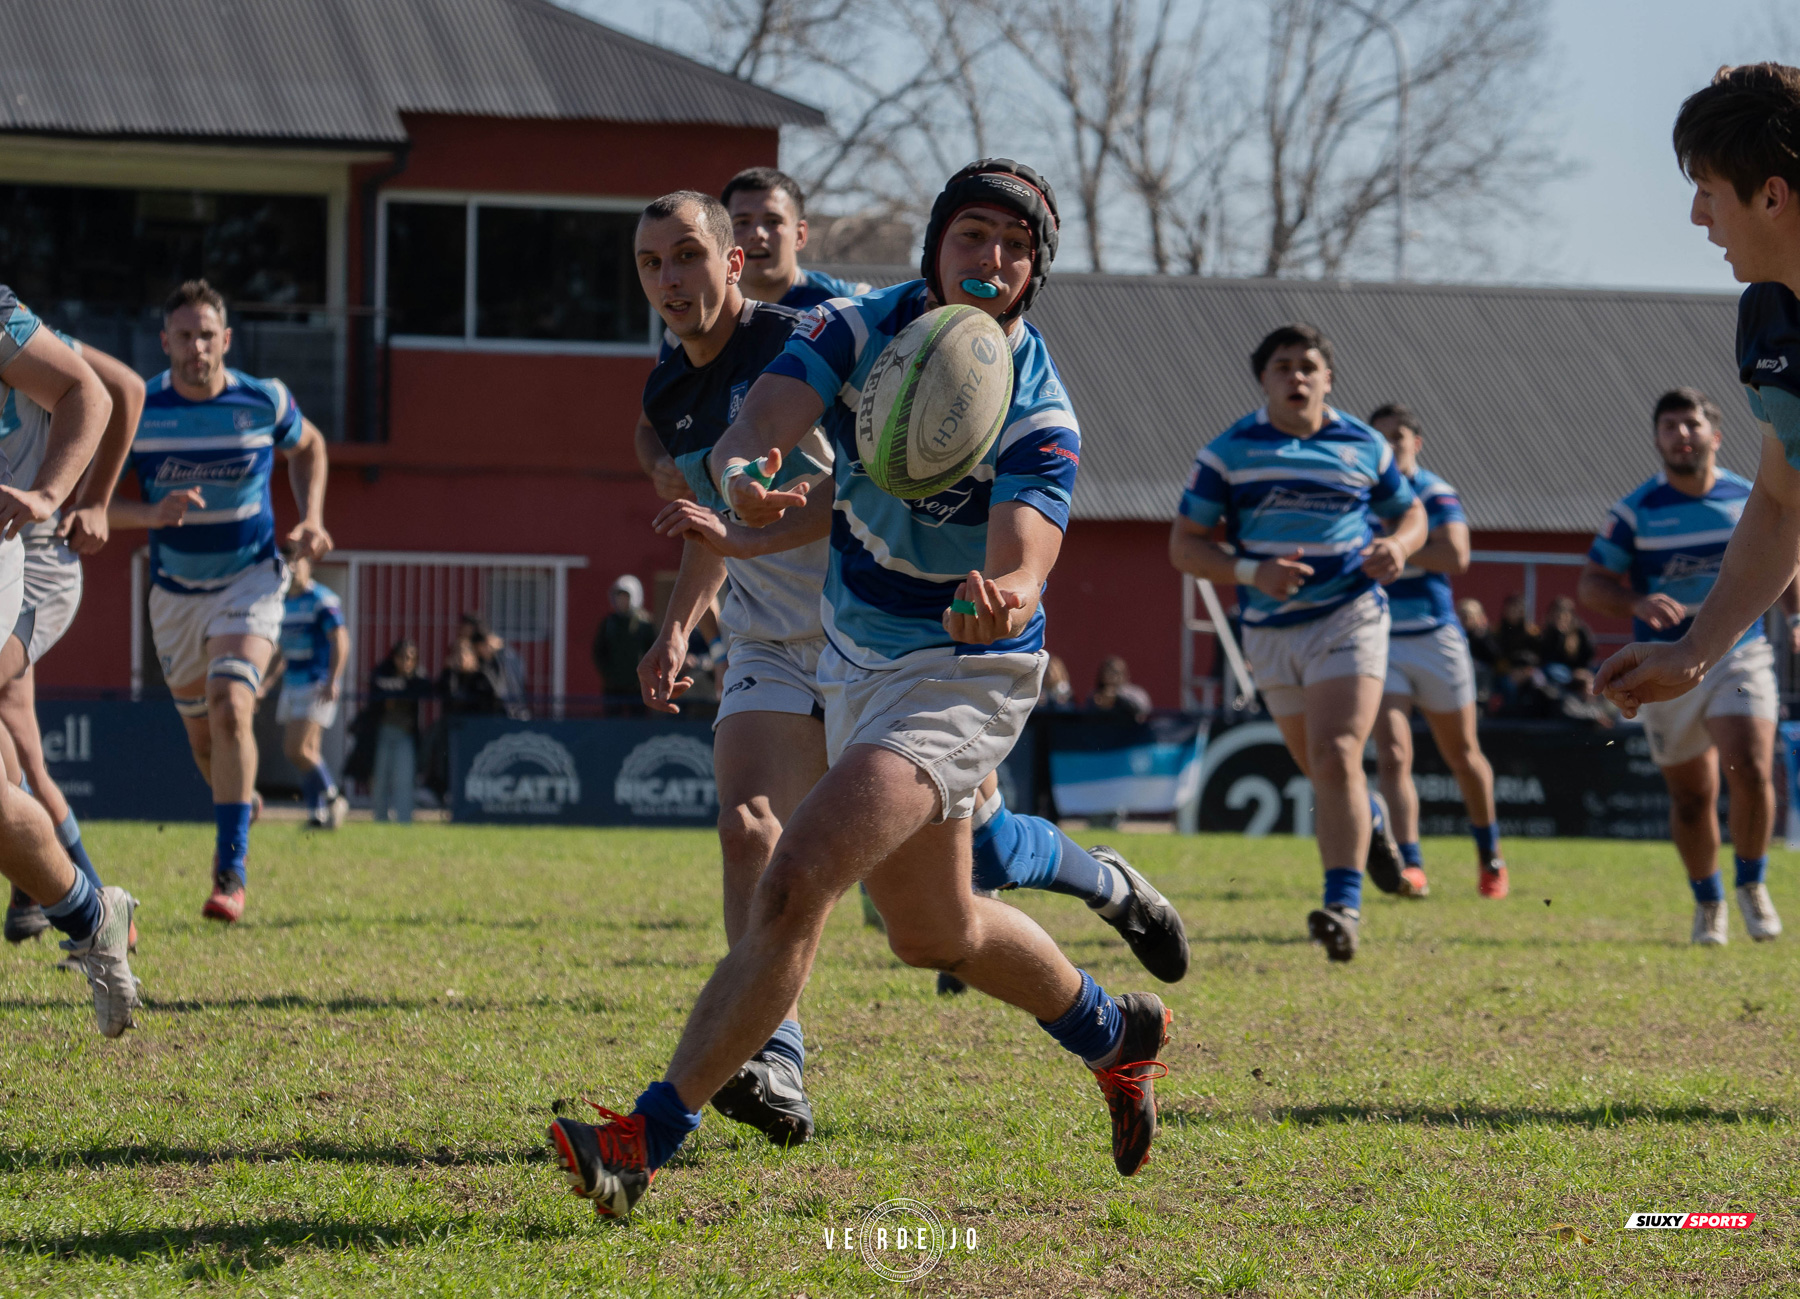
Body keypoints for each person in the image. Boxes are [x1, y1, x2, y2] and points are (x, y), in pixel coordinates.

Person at [548, 162, 1175, 1219]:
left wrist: (1009, 597)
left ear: (1034, 273)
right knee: (936, 931)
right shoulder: (857, 322)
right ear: (935, 246)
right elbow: (762, 420)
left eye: (1016, 248)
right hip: (851, 652)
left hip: (963, 672)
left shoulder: (1038, 403)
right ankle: (1117, 1037)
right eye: (972, 237)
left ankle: (640, 1142)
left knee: (794, 877)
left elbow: (1029, 554)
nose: (993, 261)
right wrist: (747, 471)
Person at [1170, 323, 1427, 962]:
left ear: (1329, 378)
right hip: (1269, 631)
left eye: (1309, 365)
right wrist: (1256, 573)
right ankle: (1373, 832)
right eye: (1283, 366)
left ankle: (1343, 907)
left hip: (1349, 616)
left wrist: (1397, 545)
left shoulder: (1364, 445)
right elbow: (1185, 546)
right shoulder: (1228, 452)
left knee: (1338, 751)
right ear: (1264, 380)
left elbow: (1413, 514)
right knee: (1319, 766)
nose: (1297, 377)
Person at [105, 279, 331, 924]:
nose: (197, 346)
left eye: (208, 334)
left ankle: (230, 871)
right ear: (165, 341)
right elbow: (91, 509)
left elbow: (309, 446)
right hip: (175, 594)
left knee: (234, 705)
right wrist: (151, 511)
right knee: (206, 744)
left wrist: (311, 517)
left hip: (252, 578)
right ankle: (239, 800)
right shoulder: (139, 408)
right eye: (184, 335)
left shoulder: (263, 400)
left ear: (225, 339)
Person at [1595, 66, 1800, 731]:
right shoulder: (1766, 313)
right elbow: (1776, 504)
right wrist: (1695, 649)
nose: (1695, 214)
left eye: (1708, 192)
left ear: (1772, 196)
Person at [1582, 387, 1793, 943]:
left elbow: (1784, 558)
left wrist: (1795, 621)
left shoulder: (1750, 497)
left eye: (1691, 424)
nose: (1681, 434)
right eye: (1670, 426)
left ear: (1715, 436)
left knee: (1749, 765)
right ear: (1656, 440)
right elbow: (1591, 584)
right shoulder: (1634, 511)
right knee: (1693, 795)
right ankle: (1708, 901)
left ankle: (1752, 885)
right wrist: (1635, 603)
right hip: (1662, 663)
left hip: (1737, 651)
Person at [0, 282, 140, 1035]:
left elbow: (107, 388)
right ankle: (90, 912)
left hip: (13, 554)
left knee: (20, 734)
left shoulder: (7, 324)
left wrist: (64, 492)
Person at [1366, 403, 1508, 900]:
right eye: (1379, 438)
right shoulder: (1360, 492)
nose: (1390, 445)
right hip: (1379, 637)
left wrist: (1394, 549)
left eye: (1398, 436)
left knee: (1463, 755)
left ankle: (1489, 855)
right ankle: (1412, 864)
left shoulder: (1433, 489)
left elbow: (1457, 554)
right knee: (1393, 754)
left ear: (1416, 443)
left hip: (1434, 636)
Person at [719, 167, 871, 310]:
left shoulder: (849, 306)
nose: (757, 233)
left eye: (773, 221)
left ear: (800, 235)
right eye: (742, 222)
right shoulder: (705, 310)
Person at [275, 544, 349, 828]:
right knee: (309, 752)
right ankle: (316, 814)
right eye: (287, 564)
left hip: (316, 683)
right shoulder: (281, 602)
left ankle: (333, 798)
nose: (292, 570)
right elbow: (281, 652)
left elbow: (341, 640)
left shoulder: (322, 599)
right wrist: (265, 683)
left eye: (297, 563)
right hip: (292, 683)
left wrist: (332, 679)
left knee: (296, 750)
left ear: (309, 565)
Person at [358, 639, 429, 823]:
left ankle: (404, 821)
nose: (406, 662)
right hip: (382, 733)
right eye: (402, 657)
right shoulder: (383, 672)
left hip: (405, 735)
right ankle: (380, 819)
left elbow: (426, 688)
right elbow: (376, 686)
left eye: (410, 658)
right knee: (379, 779)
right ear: (394, 658)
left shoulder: (417, 678)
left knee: (404, 780)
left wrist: (400, 687)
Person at [592, 576, 656, 715]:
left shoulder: (645, 624)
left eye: (625, 597)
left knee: (638, 724)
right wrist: (609, 675)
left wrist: (646, 676)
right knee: (613, 724)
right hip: (613, 688)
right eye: (619, 597)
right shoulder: (609, 623)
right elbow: (598, 652)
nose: (622, 601)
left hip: (638, 687)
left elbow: (652, 651)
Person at [1536, 597, 1596, 693]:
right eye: (1557, 614)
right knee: (1552, 670)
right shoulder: (1548, 633)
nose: (1561, 618)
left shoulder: (1580, 632)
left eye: (1565, 614)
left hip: (1581, 669)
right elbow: (1546, 658)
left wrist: (1581, 670)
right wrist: (1559, 635)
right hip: (1562, 673)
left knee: (1602, 670)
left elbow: (1588, 654)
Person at [1087, 655, 1152, 720]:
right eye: (1106, 671)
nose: (1110, 675)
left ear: (1124, 674)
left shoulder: (1136, 693)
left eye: (1114, 672)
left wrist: (1117, 697)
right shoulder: (1094, 695)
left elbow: (1143, 711)